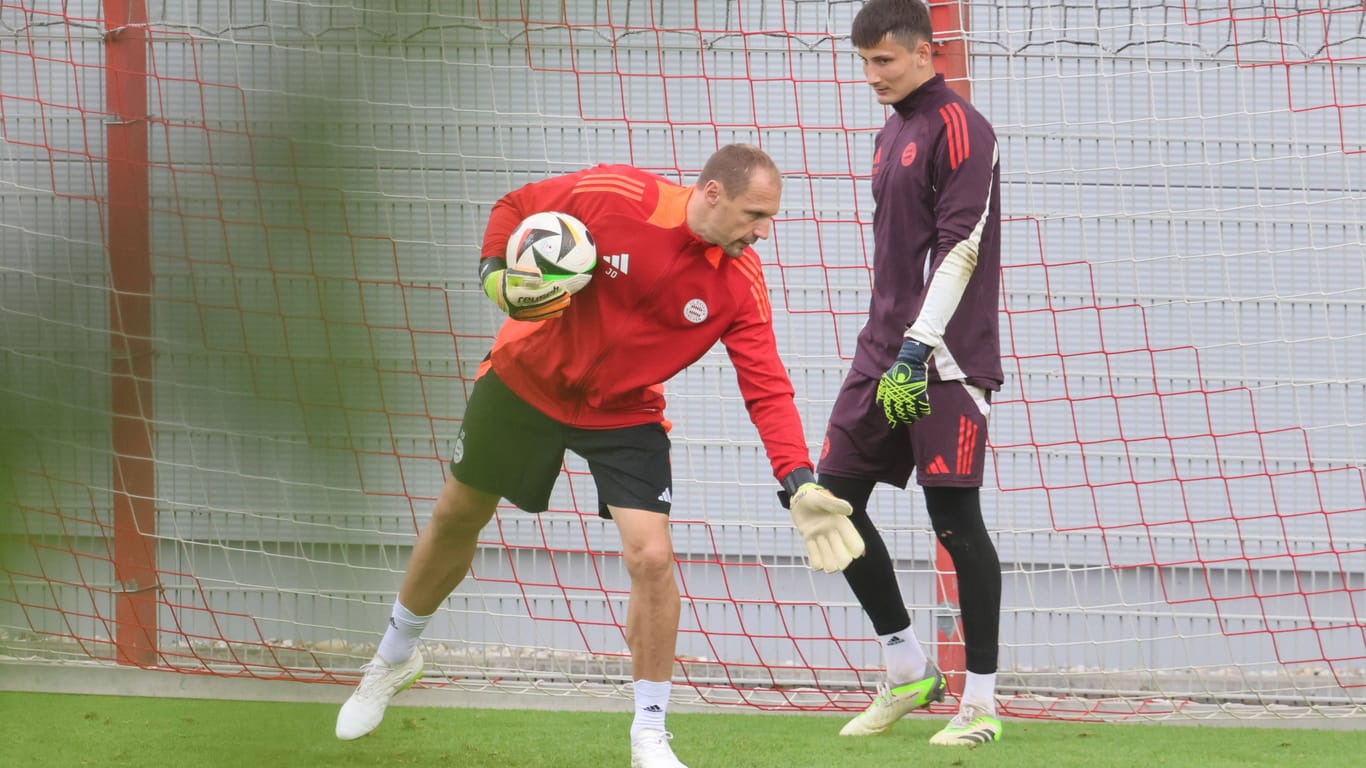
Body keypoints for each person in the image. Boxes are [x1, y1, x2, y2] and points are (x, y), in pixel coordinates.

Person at [333, 144, 866, 768]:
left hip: (624, 411)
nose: (763, 231)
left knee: (652, 555)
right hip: (527, 380)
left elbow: (767, 386)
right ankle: (394, 657)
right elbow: (518, 204)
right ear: (712, 193)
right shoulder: (618, 196)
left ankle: (649, 734)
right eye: (755, 214)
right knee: (458, 513)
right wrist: (493, 274)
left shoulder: (740, 285)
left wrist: (798, 480)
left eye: (769, 218)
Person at [816, 0, 1005, 747]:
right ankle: (907, 667)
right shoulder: (890, 129)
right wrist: (888, 349)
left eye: (884, 60)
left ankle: (982, 703)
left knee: (954, 520)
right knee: (829, 504)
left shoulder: (964, 126)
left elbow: (959, 249)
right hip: (881, 352)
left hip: (943, 360)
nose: (872, 75)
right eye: (864, 62)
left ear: (927, 52)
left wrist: (916, 352)